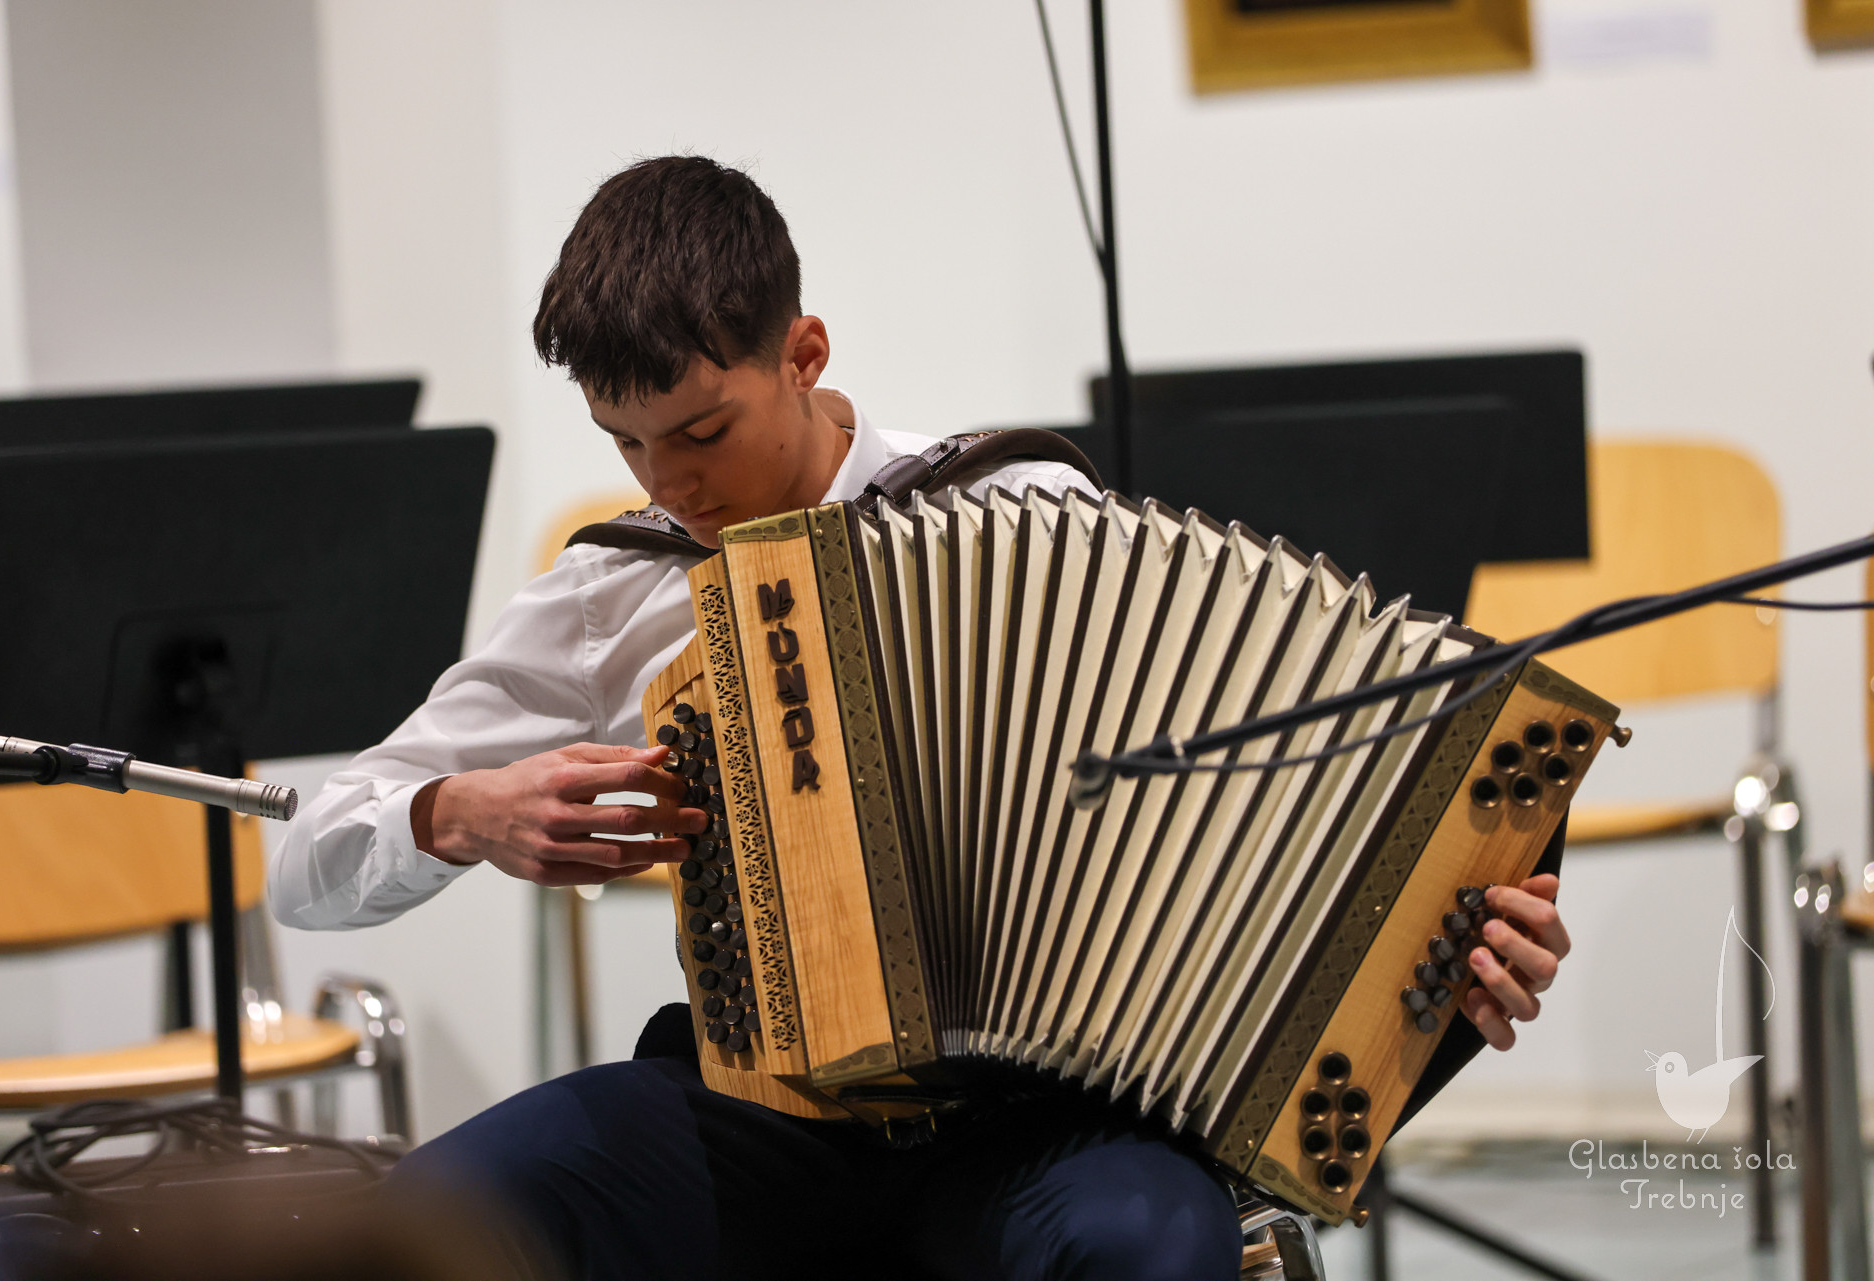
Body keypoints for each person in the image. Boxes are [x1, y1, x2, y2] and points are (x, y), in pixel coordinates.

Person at [268, 155, 1573, 1281]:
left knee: (1150, 1243)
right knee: (446, 1208)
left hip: (1041, 1124)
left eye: (702, 430)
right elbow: (307, 862)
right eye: (627, 442)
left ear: (806, 354)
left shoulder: (1027, 514)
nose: (670, 484)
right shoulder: (613, 592)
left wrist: (1448, 939)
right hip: (764, 1118)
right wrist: (454, 815)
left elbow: (1239, 822)